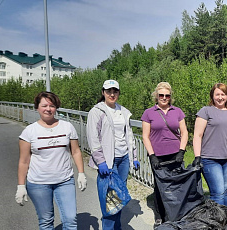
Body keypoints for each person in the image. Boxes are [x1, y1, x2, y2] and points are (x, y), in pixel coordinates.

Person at [16, 91, 87, 230]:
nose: (48, 109)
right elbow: (24, 161)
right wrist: (20, 186)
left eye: (52, 105)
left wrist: (81, 173)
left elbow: (76, 151)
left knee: (71, 220)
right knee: (46, 221)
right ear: (37, 108)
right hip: (38, 183)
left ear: (56, 108)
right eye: (44, 105)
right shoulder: (29, 132)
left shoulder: (67, 127)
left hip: (64, 180)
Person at [86, 80, 140, 230]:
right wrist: (100, 161)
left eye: (115, 91)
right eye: (108, 91)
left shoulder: (123, 111)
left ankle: (117, 228)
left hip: (123, 158)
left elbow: (129, 135)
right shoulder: (97, 111)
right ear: (103, 92)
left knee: (119, 198)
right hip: (108, 161)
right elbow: (93, 137)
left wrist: (133, 157)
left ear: (118, 93)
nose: (112, 94)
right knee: (110, 201)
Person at [141, 82, 188, 226]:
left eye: (167, 95)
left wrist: (182, 150)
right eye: (161, 95)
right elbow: (145, 136)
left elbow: (185, 132)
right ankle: (160, 215)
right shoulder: (149, 113)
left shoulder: (177, 111)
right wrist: (152, 155)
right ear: (156, 96)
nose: (164, 98)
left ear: (170, 97)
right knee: (160, 186)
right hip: (158, 155)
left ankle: (175, 214)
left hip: (175, 153)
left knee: (177, 184)